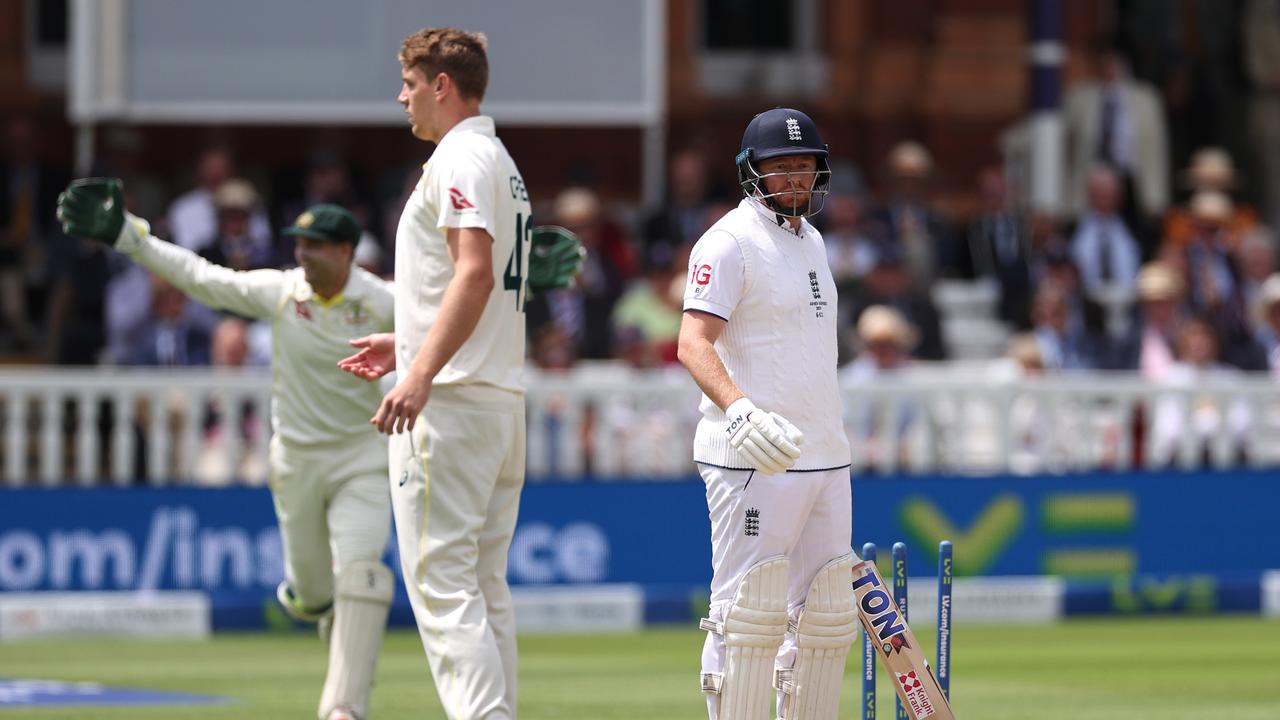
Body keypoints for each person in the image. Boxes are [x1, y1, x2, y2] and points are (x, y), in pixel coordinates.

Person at [57, 186, 396, 720]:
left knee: (361, 574)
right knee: (314, 595)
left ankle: (343, 709)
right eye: (299, 244)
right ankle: (320, 611)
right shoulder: (283, 292)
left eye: (315, 246)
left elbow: (454, 323)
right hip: (298, 463)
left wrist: (516, 294)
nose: (302, 255)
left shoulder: (383, 303)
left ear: (346, 252)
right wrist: (128, 234)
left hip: (364, 461)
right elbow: (203, 279)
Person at [335, 28, 536, 720]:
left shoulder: (458, 157)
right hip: (499, 400)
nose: (402, 97)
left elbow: (475, 276)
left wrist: (418, 372)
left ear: (442, 85)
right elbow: (473, 283)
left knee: (445, 590)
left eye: (411, 84)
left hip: (451, 408)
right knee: (483, 587)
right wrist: (410, 338)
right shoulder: (499, 160)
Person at [677, 107, 856, 720]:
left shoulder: (813, 240)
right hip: (756, 455)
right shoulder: (728, 242)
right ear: (751, 171)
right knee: (747, 616)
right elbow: (692, 342)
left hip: (825, 454)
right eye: (780, 168)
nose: (794, 181)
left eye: (804, 168)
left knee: (826, 617)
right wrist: (742, 413)